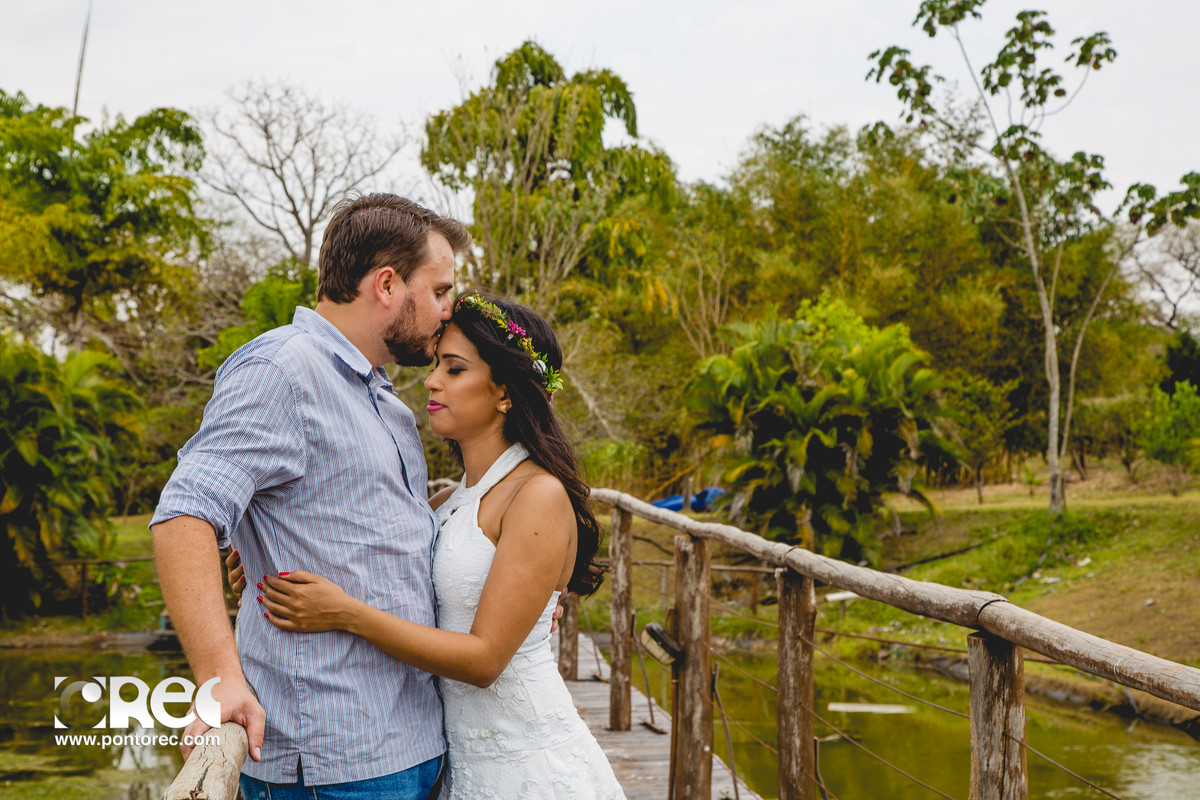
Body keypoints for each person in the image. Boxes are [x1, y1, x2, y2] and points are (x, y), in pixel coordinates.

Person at [150, 193, 470, 799]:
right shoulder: (282, 371)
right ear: (386, 285)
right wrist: (218, 678)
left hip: (417, 739)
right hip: (332, 759)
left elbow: (385, 544)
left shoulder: (390, 405)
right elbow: (184, 515)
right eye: (440, 291)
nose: (447, 312)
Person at [247, 291, 626, 799]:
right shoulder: (447, 500)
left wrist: (344, 613)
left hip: (523, 762)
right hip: (453, 755)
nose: (431, 380)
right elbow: (379, 563)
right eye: (437, 366)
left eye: (454, 369)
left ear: (505, 392)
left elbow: (485, 660)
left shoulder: (538, 495)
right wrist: (254, 558)